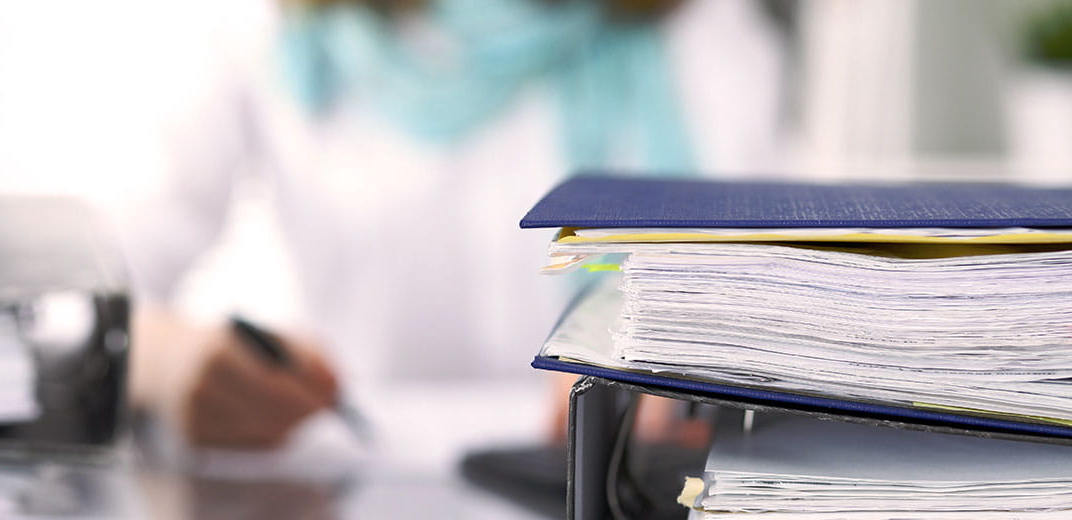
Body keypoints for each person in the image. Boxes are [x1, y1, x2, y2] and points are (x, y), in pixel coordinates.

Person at [121, 0, 785, 451]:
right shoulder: (263, 32)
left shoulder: (706, 34)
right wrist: (160, 358)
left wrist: (691, 353)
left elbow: (782, 305)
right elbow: (80, 292)